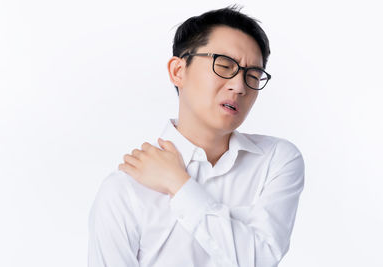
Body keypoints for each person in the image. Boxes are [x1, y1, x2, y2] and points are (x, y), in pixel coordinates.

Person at [88, 5, 305, 267]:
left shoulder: (276, 161)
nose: (238, 86)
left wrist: (178, 184)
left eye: (252, 76)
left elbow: (260, 260)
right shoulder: (125, 191)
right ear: (178, 71)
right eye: (224, 66)